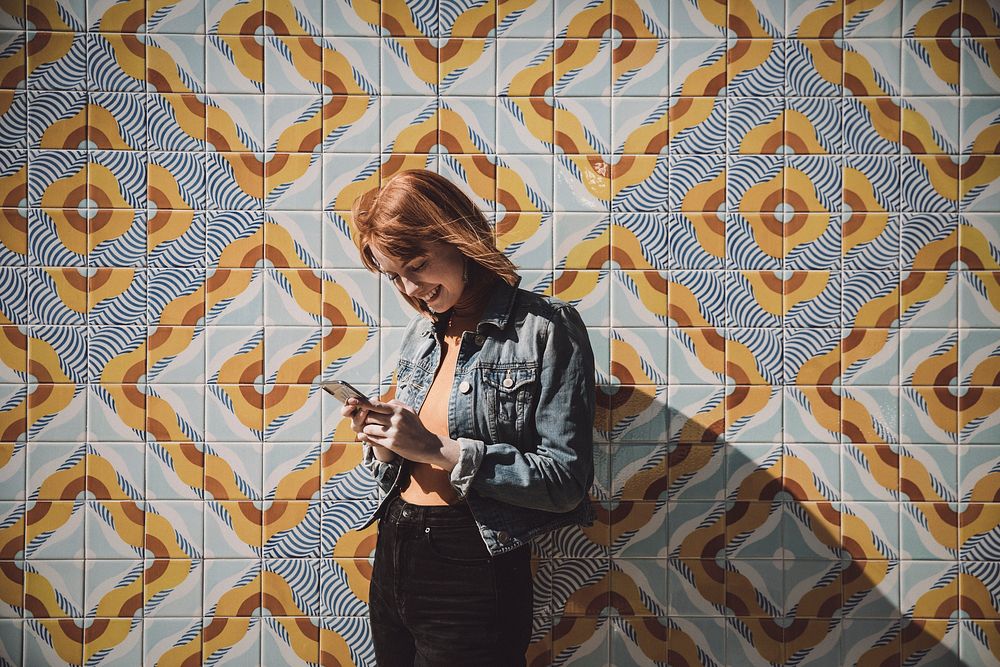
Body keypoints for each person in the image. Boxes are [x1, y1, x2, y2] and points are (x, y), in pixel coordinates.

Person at [342, 169, 596, 667]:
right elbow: (403, 465)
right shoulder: (420, 335)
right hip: (395, 542)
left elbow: (566, 481)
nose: (411, 289)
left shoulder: (544, 329)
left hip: (473, 559)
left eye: (416, 265)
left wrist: (438, 450)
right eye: (394, 276)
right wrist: (384, 442)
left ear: (458, 239)